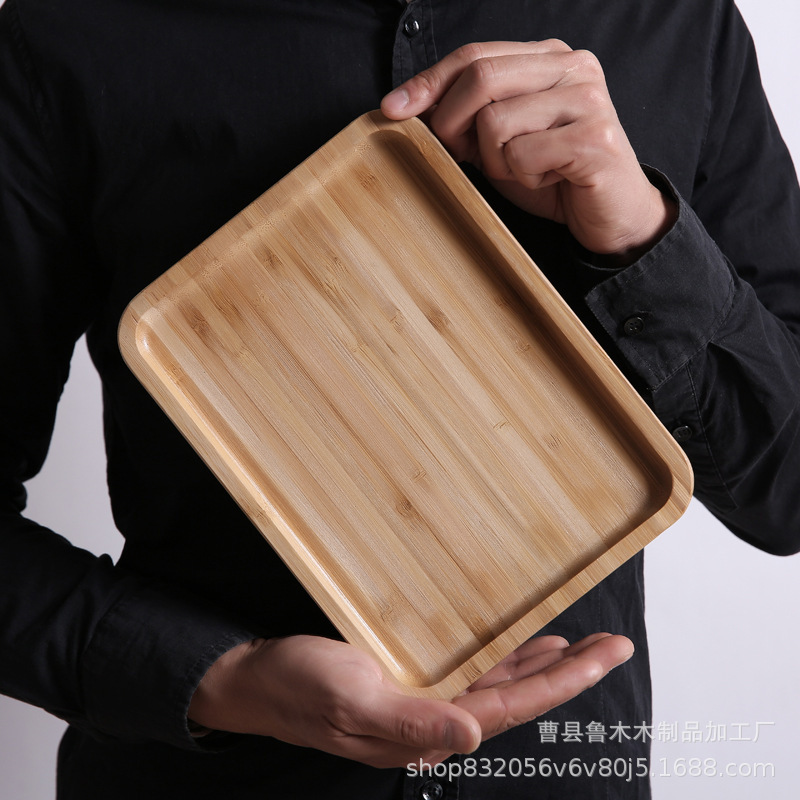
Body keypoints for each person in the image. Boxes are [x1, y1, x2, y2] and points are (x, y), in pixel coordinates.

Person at [1, 1, 798, 798]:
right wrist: (221, 679)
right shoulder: (70, 35)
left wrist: (645, 240)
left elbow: (786, 492)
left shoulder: (677, 22)